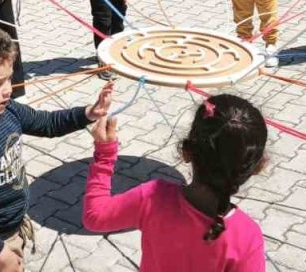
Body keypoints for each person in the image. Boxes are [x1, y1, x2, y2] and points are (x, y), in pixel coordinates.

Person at [0, 24, 113, 272]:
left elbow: (47, 123)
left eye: (9, 78)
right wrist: (1, 255)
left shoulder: (8, 109)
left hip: (11, 233)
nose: (8, 89)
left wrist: (88, 113)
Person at [82, 95, 267, 271]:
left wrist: (104, 156)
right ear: (258, 167)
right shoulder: (247, 237)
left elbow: (95, 216)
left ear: (186, 151)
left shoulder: (154, 197)